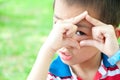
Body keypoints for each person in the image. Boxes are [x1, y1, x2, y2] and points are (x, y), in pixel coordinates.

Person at [27, 0, 120, 80]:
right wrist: (48, 49)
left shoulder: (117, 61)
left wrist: (116, 55)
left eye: (79, 32)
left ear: (110, 36)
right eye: (58, 25)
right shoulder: (51, 74)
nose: (62, 39)